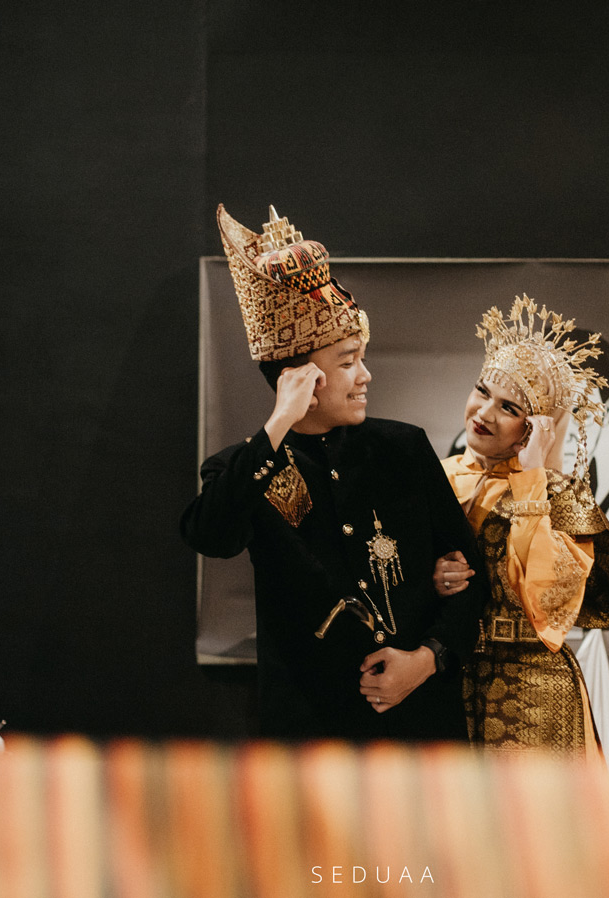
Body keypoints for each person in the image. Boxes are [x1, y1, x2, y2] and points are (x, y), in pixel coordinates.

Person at [181, 205, 485, 741]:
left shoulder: (403, 448)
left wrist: (428, 659)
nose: (364, 375)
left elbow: (472, 576)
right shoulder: (244, 469)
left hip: (420, 722)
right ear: (299, 377)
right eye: (347, 362)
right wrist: (278, 424)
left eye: (360, 358)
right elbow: (211, 535)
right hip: (311, 731)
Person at [431, 295, 609, 758]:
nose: (484, 413)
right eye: (482, 391)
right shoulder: (437, 477)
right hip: (444, 682)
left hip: (531, 694)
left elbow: (551, 602)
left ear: (539, 426)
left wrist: (531, 480)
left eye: (509, 407)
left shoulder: (562, 495)